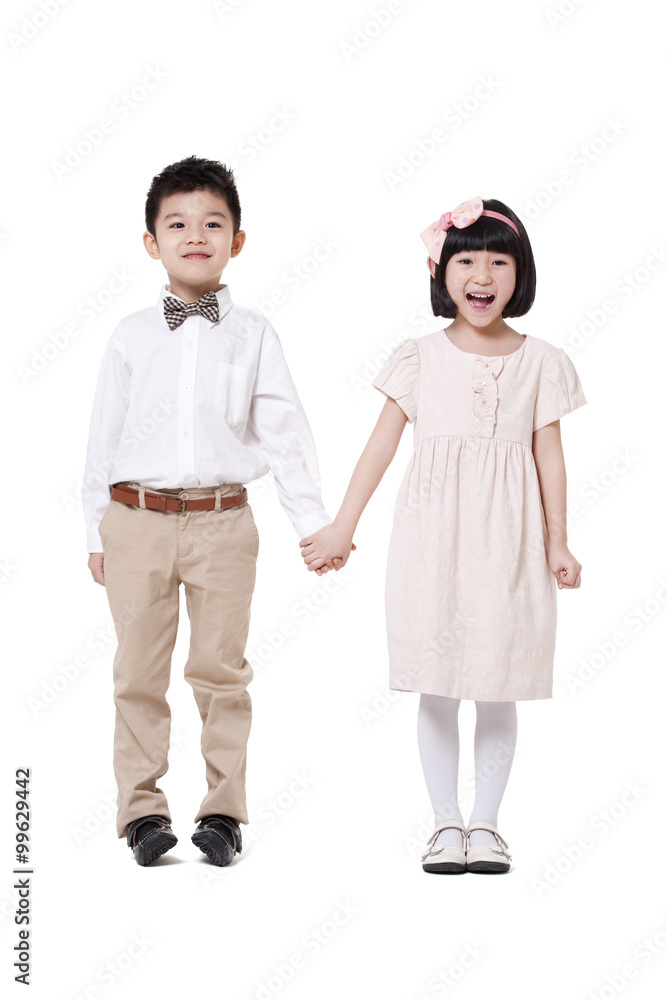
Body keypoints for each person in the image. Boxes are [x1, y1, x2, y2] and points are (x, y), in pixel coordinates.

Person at [299, 197, 587, 875]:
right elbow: (378, 449)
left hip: (509, 539)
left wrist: (558, 541)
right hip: (432, 539)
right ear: (440, 270)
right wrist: (342, 525)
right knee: (437, 681)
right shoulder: (419, 357)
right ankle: (442, 825)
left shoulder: (541, 360)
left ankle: (485, 825)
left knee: (497, 678)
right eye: (465, 259)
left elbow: (549, 456)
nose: (481, 274)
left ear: (520, 274)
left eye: (497, 260)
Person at [83, 155, 337, 866]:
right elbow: (103, 439)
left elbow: (285, 432)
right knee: (137, 670)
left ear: (237, 240)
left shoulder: (253, 335)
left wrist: (312, 523)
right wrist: (93, 527)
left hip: (226, 522)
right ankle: (141, 813)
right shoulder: (130, 335)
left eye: (212, 222)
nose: (195, 234)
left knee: (221, 669)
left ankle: (222, 813)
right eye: (177, 223)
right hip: (134, 520)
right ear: (150, 242)